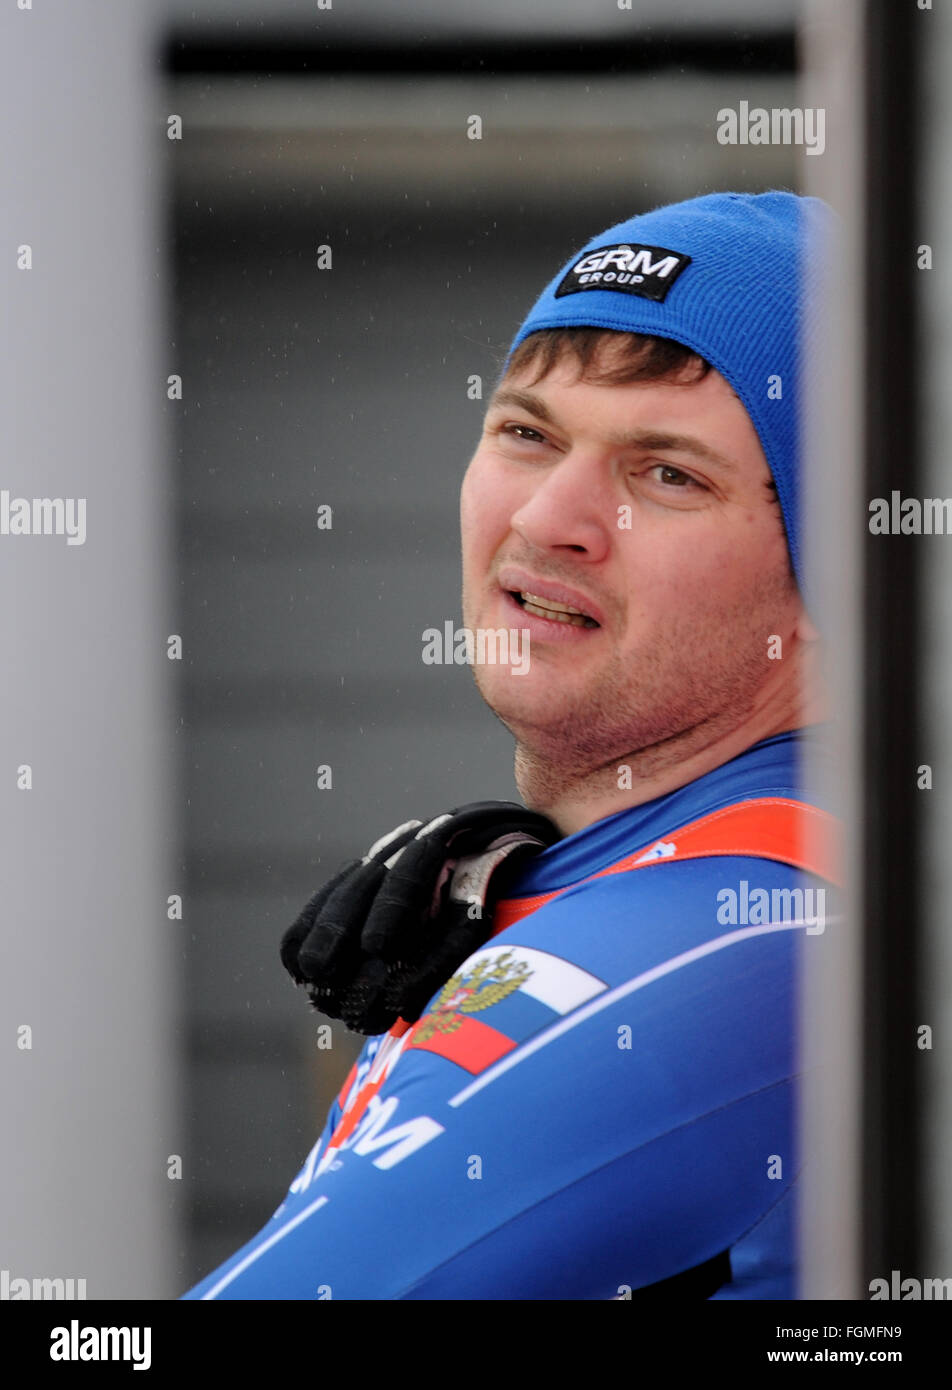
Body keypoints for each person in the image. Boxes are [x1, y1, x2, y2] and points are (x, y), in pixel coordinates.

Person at [182, 190, 839, 1301]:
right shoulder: (648, 885)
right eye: (527, 433)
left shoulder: (736, 954)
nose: (549, 517)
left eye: (666, 473)